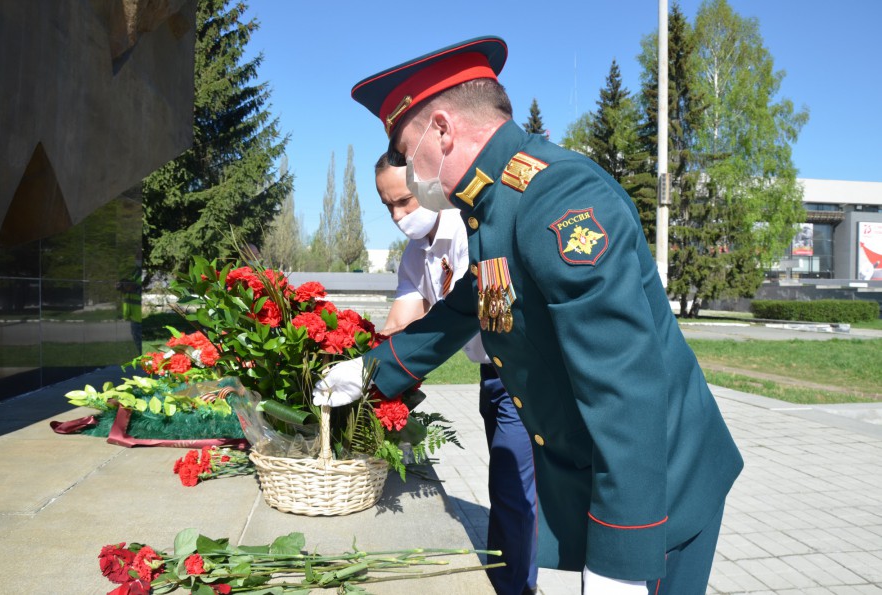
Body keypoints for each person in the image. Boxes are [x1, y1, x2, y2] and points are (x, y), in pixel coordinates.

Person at [315, 35, 743, 594]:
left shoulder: (556, 197)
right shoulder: (496, 205)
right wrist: (368, 373)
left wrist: (621, 555)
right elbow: (470, 307)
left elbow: (626, 384)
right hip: (606, 471)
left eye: (403, 147)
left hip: (661, 488)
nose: (405, 168)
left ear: (441, 130)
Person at [375, 153, 538, 595]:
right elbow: (401, 327)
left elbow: (496, 317)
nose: (398, 215)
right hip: (492, 375)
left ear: (428, 186)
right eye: (388, 206)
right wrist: (362, 362)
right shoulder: (414, 256)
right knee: (509, 489)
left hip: (526, 374)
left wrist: (411, 353)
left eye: (405, 201)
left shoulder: (478, 232)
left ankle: (512, 588)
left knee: (513, 493)